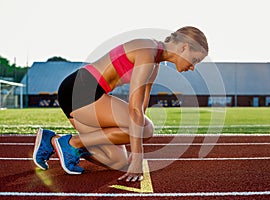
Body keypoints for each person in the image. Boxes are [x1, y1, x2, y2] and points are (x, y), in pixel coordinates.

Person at [33, 26, 209, 182]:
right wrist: (139, 157)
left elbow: (142, 107)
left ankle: (52, 140)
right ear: (184, 47)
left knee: (117, 161)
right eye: (194, 60)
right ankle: (71, 143)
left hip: (85, 97)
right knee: (147, 129)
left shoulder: (155, 63)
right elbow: (134, 109)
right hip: (82, 90)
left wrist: (134, 147)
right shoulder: (147, 50)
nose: (192, 67)